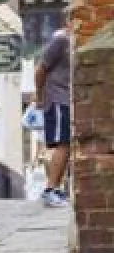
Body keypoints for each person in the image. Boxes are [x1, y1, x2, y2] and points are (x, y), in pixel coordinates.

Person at [35, 27, 71, 208]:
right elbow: (40, 69)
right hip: (57, 99)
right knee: (62, 144)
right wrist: (39, 96)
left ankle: (55, 189)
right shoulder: (62, 40)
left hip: (66, 100)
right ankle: (49, 189)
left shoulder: (72, 42)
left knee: (66, 145)